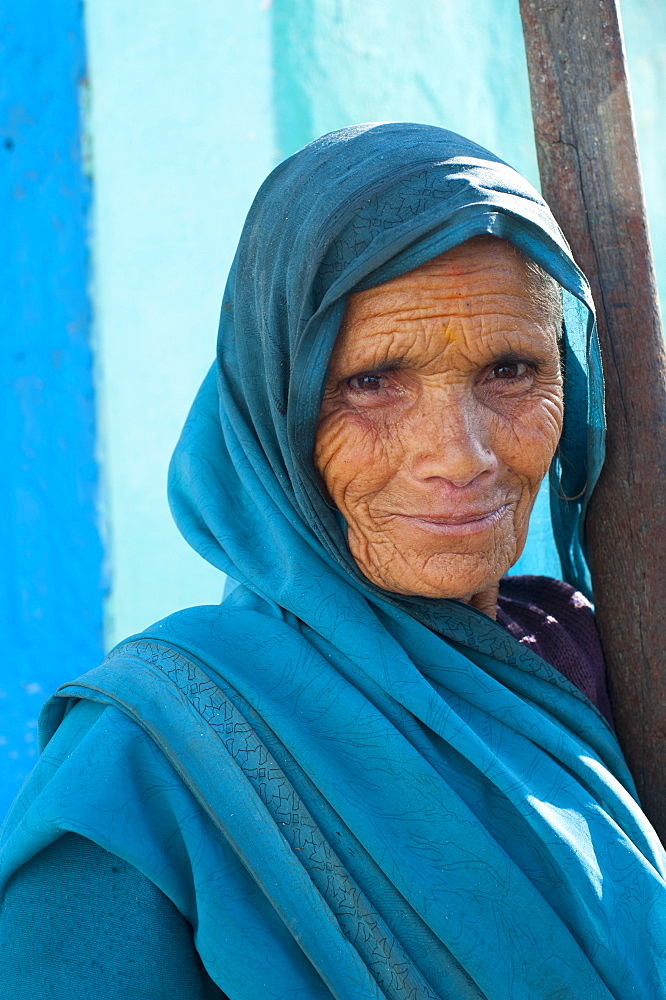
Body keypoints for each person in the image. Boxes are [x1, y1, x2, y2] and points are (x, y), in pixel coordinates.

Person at [1, 122, 665, 999]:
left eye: (509, 369)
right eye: (371, 380)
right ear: (273, 410)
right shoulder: (152, 763)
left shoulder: (593, 662)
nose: (459, 455)